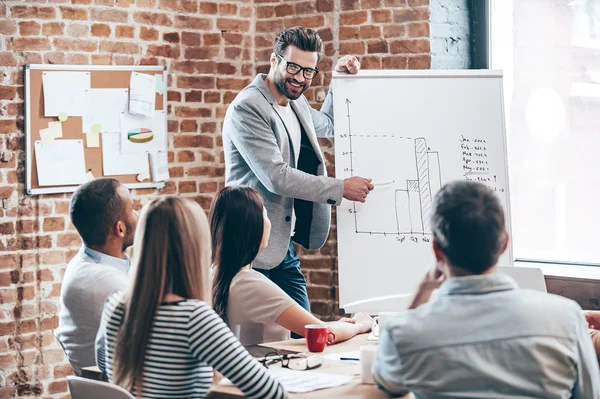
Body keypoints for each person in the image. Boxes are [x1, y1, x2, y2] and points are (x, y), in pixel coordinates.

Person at [372, 181, 600, 398]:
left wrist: (422, 291)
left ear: (437, 251)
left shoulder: (405, 333)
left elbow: (389, 383)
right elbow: (590, 394)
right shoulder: (567, 318)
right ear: (503, 244)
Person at [222, 26, 374, 313]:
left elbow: (329, 124)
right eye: (293, 67)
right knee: (257, 341)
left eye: (308, 72)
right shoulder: (248, 107)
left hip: (282, 247)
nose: (300, 78)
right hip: (250, 249)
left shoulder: (296, 102)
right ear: (274, 60)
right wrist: (340, 188)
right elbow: (275, 176)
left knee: (302, 335)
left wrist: (340, 79)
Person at [95, 196, 286, 399]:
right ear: (196, 246)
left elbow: (104, 363)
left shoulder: (115, 304)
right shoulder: (194, 318)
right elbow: (271, 392)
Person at [210, 186, 372, 346]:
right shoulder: (249, 283)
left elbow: (317, 326)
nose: (269, 223)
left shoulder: (213, 274)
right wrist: (360, 324)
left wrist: (340, 325)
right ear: (253, 225)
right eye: (266, 215)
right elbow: (323, 334)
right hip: (270, 367)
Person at [55, 178, 137, 375]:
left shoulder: (84, 263)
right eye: (133, 209)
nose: (138, 214)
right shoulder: (108, 283)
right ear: (120, 228)